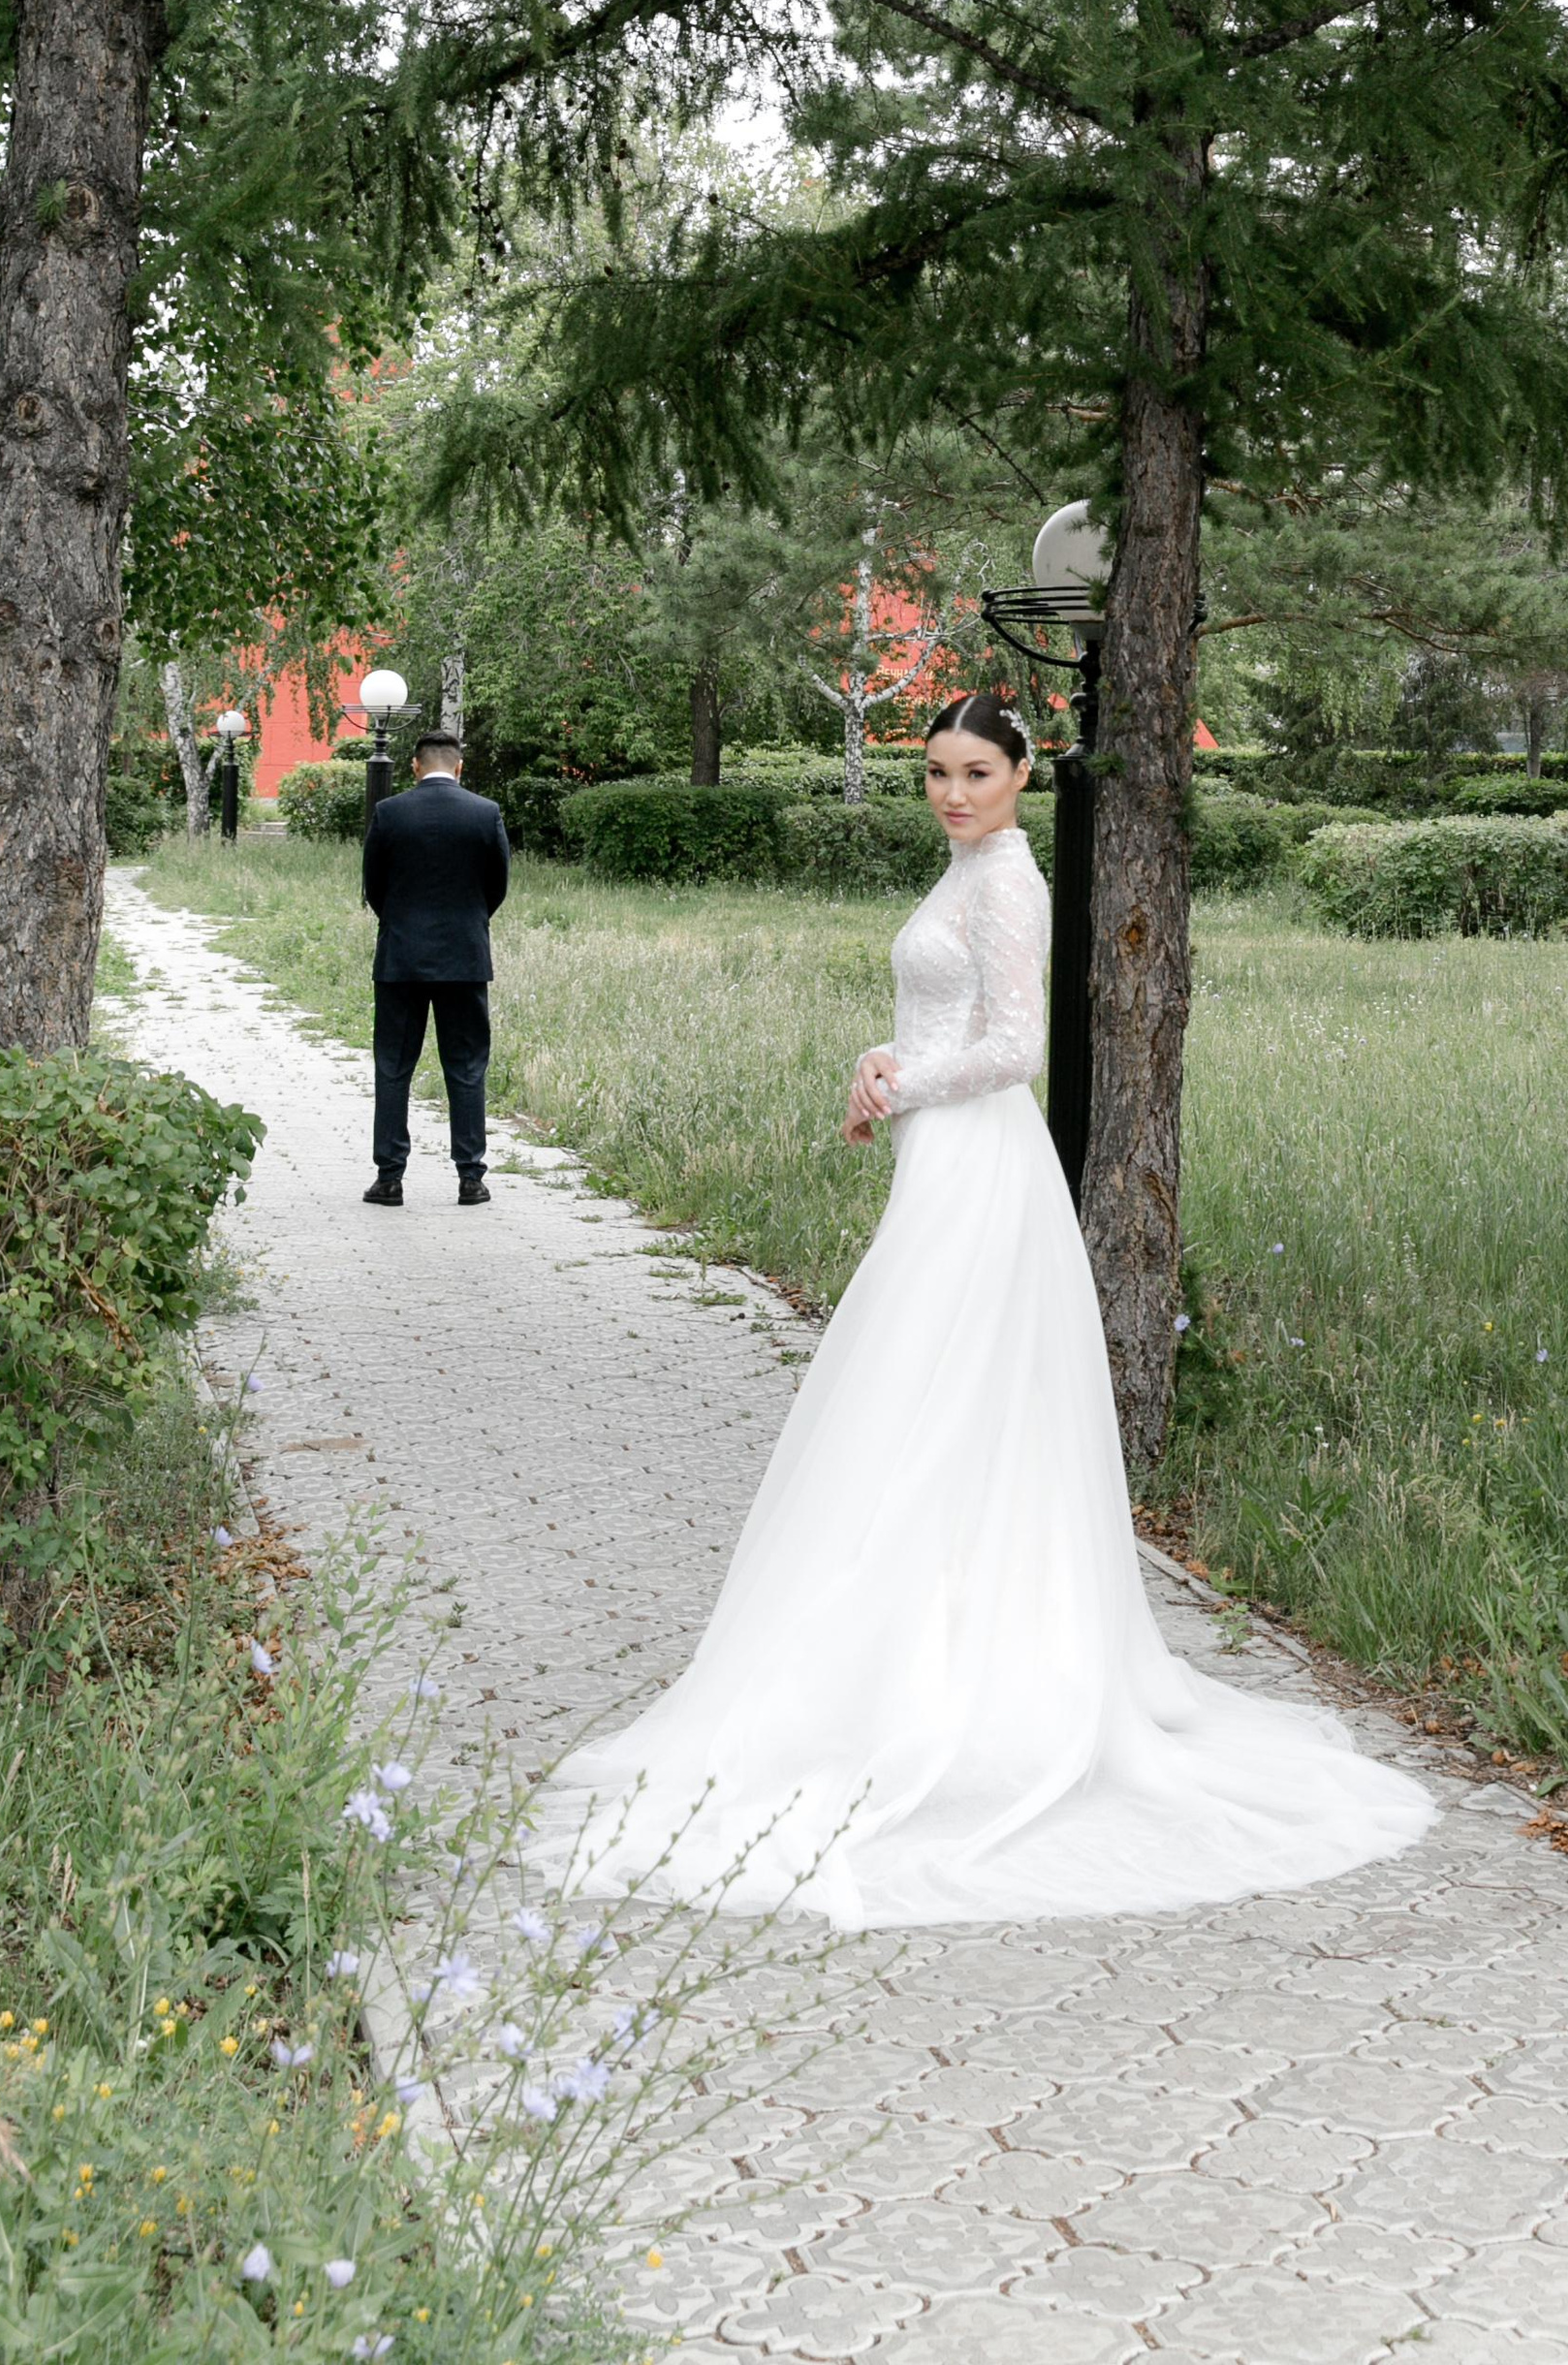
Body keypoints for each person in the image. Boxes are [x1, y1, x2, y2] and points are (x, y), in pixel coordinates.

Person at [530, 691, 1434, 1927]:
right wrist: (881, 1061)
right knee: (918, 1403)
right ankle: (904, 1643)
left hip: (981, 1162)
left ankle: (965, 1674)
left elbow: (1015, 1046)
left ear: (1021, 778)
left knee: (931, 1396)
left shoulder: (1010, 884)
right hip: (940, 1158)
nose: (954, 794)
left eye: (976, 774)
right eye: (937, 774)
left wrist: (906, 1077)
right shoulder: (965, 873)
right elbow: (941, 1020)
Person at [359, 732, 511, 1212]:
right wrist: (468, 922)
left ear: (414, 766)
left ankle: (389, 1178)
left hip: (401, 958)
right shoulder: (484, 812)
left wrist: (401, 922)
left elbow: (373, 886)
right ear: (460, 767)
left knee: (393, 1067)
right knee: (466, 1068)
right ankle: (471, 1179)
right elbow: (497, 885)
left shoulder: (390, 812)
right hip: (464, 959)